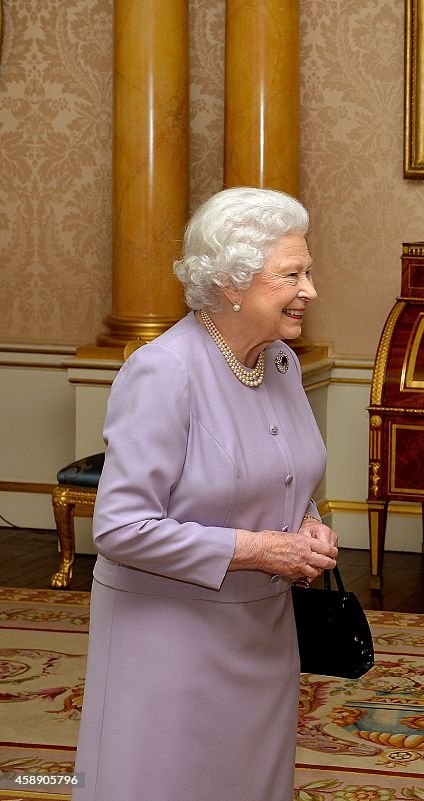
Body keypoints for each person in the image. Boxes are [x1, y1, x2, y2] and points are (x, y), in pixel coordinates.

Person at [73, 187, 339, 801]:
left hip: (263, 630)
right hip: (170, 642)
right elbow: (118, 528)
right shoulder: (164, 372)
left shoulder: (279, 363)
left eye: (308, 271)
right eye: (291, 275)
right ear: (231, 285)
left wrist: (307, 522)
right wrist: (255, 548)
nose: (310, 290)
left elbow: (287, 473)